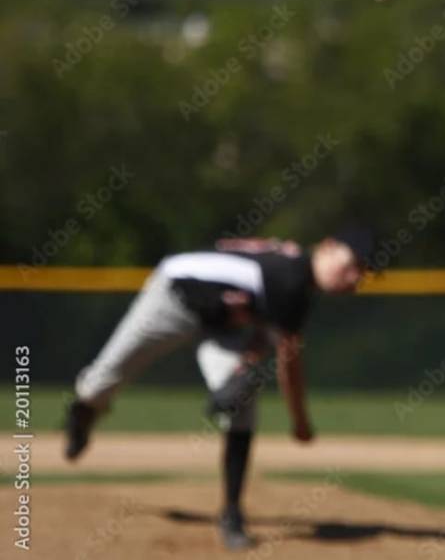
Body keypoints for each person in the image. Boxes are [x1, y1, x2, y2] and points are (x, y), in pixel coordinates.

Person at [64, 235, 367, 550]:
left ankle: (232, 513)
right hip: (175, 296)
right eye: (352, 265)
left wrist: (243, 366)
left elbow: (264, 330)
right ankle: (82, 414)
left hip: (225, 324)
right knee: (101, 380)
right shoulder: (291, 277)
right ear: (327, 248)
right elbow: (288, 364)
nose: (355, 277)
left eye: (362, 272)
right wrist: (300, 422)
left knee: (242, 399)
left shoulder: (293, 274)